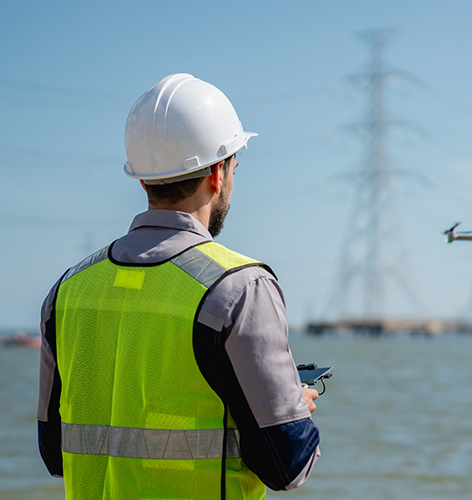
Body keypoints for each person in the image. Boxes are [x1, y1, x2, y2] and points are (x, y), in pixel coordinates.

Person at [37, 73, 321, 500]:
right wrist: (294, 408)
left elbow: (53, 454)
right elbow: (287, 465)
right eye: (234, 167)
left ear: (142, 180)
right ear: (217, 174)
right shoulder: (240, 288)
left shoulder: (68, 290)